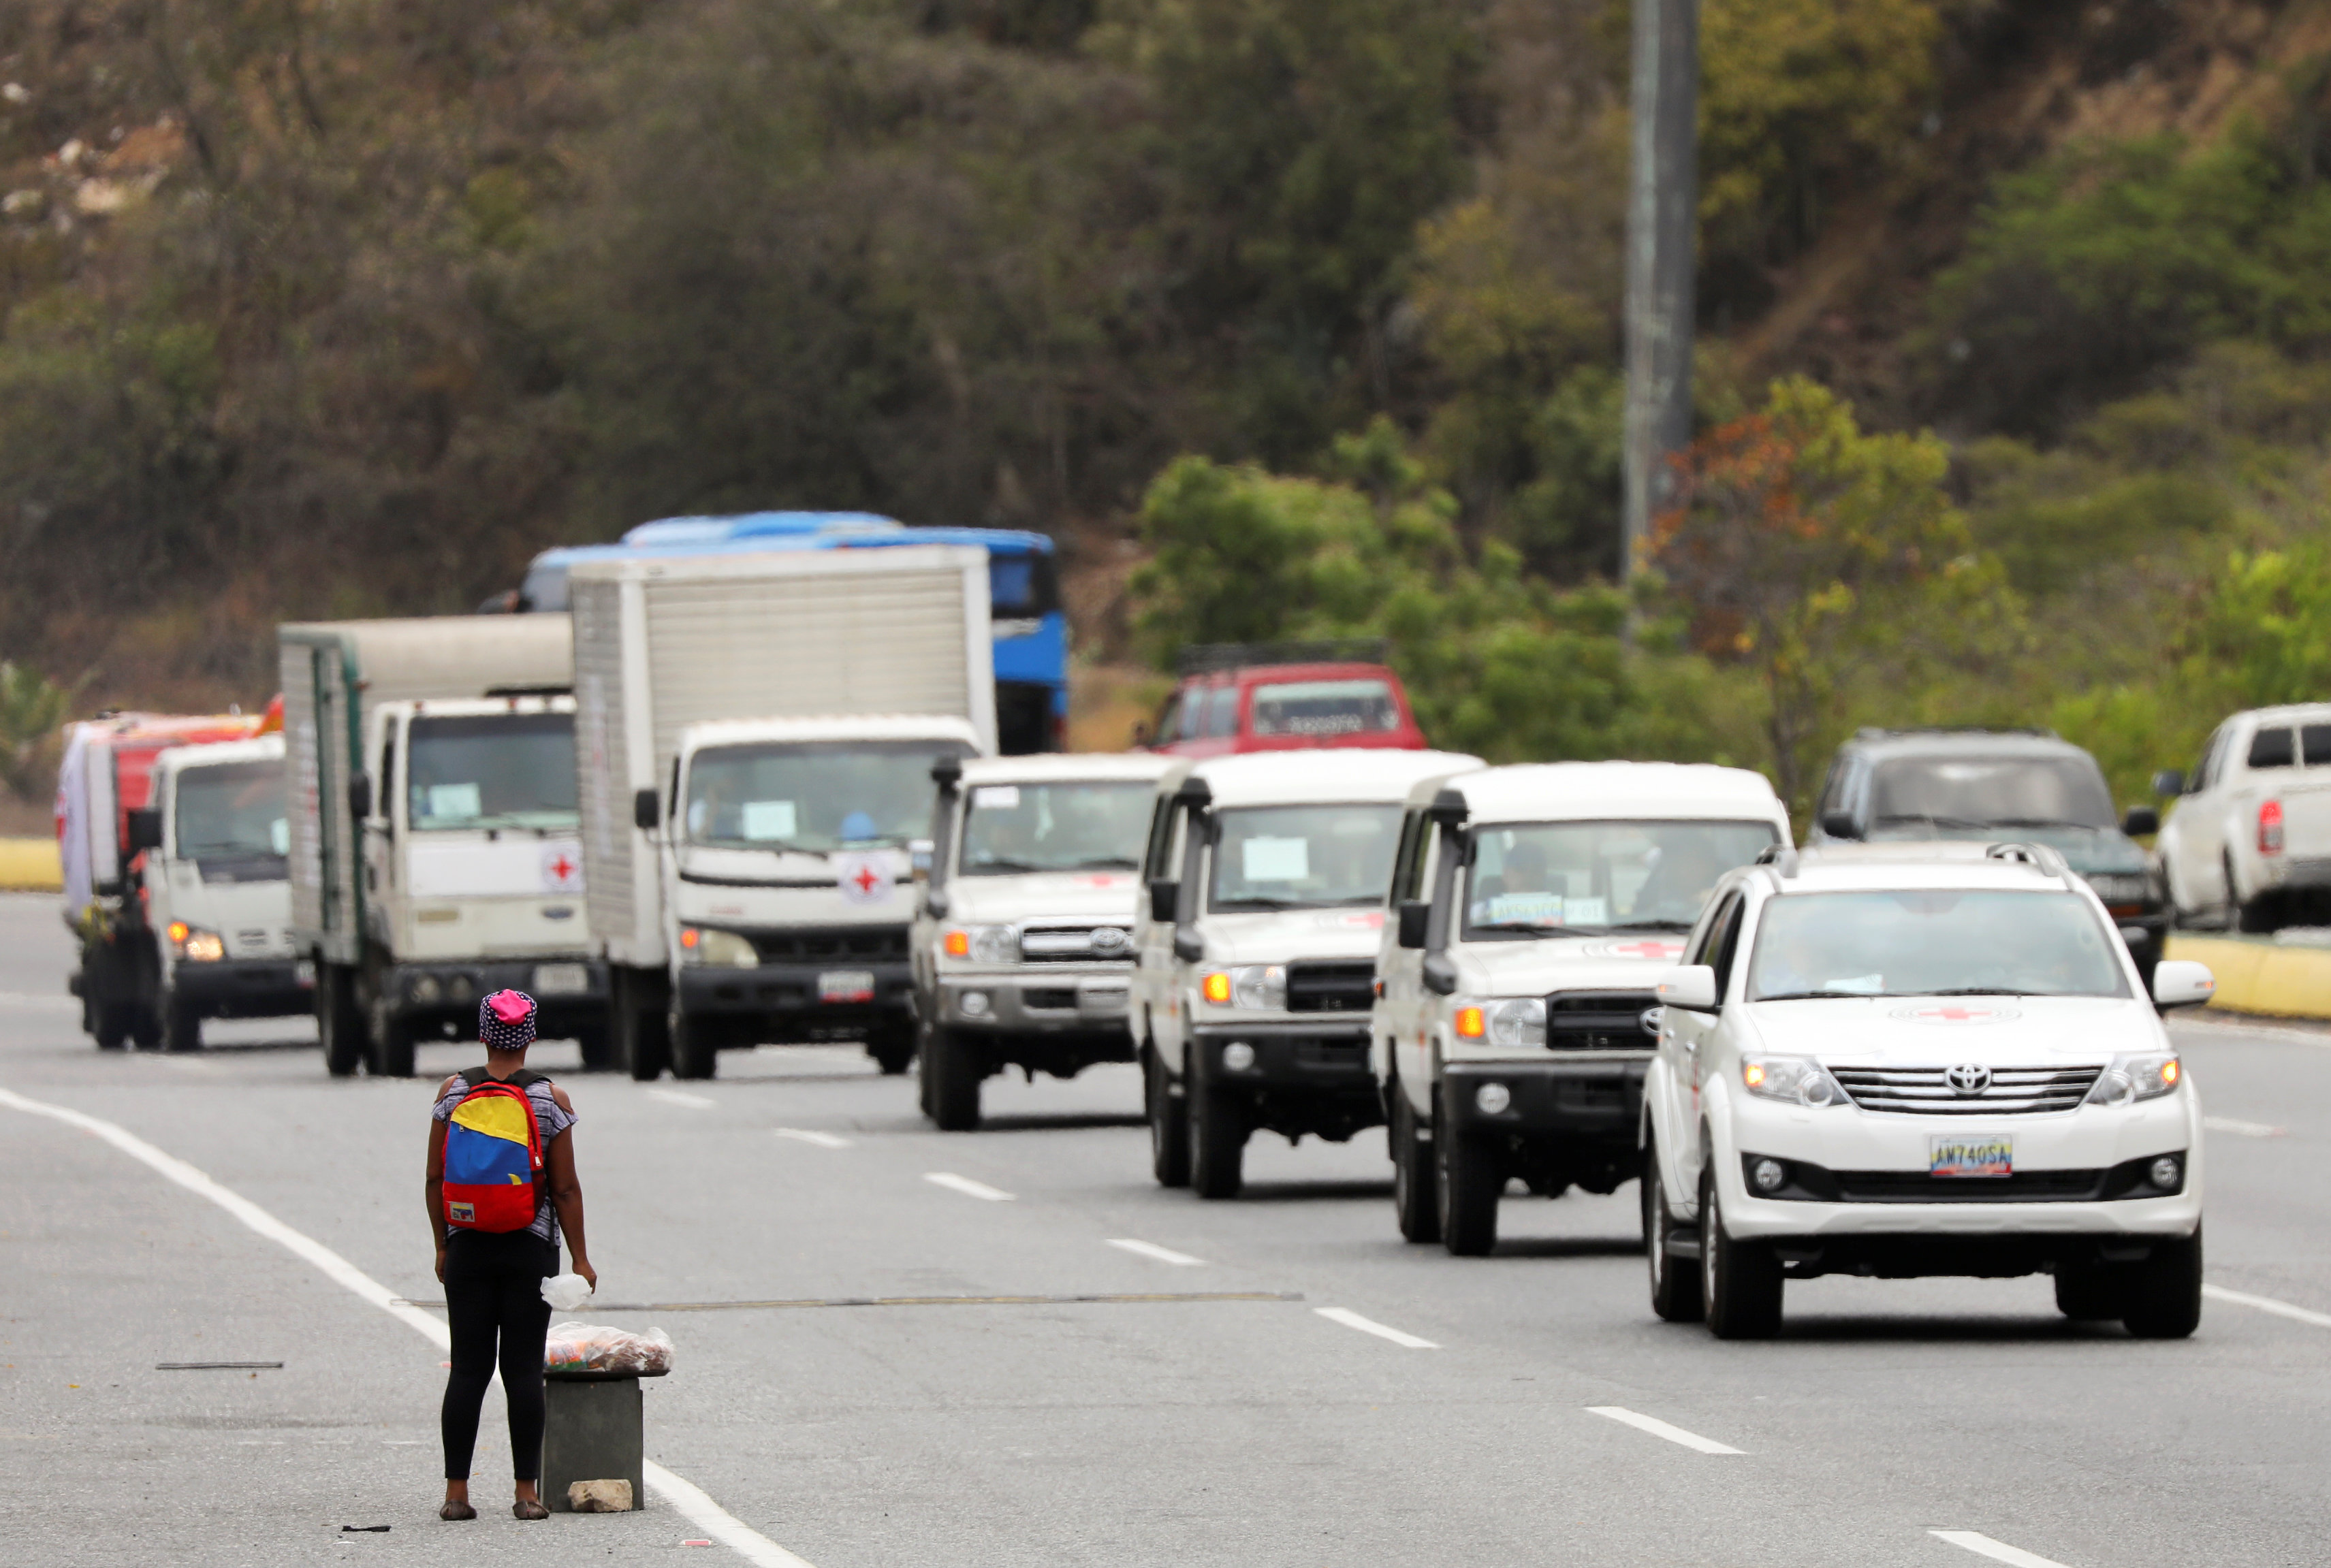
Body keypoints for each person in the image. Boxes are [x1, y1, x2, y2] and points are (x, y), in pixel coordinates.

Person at [424, 991, 595, 1522]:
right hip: (529, 1245)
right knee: (521, 1368)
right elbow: (564, 1188)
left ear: (482, 1036)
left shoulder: (453, 1093)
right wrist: (580, 1258)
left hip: (468, 1244)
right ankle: (526, 1493)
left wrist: (442, 1243)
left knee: (468, 1369)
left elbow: (435, 1178)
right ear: (530, 1038)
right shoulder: (550, 1100)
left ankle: (457, 1493)